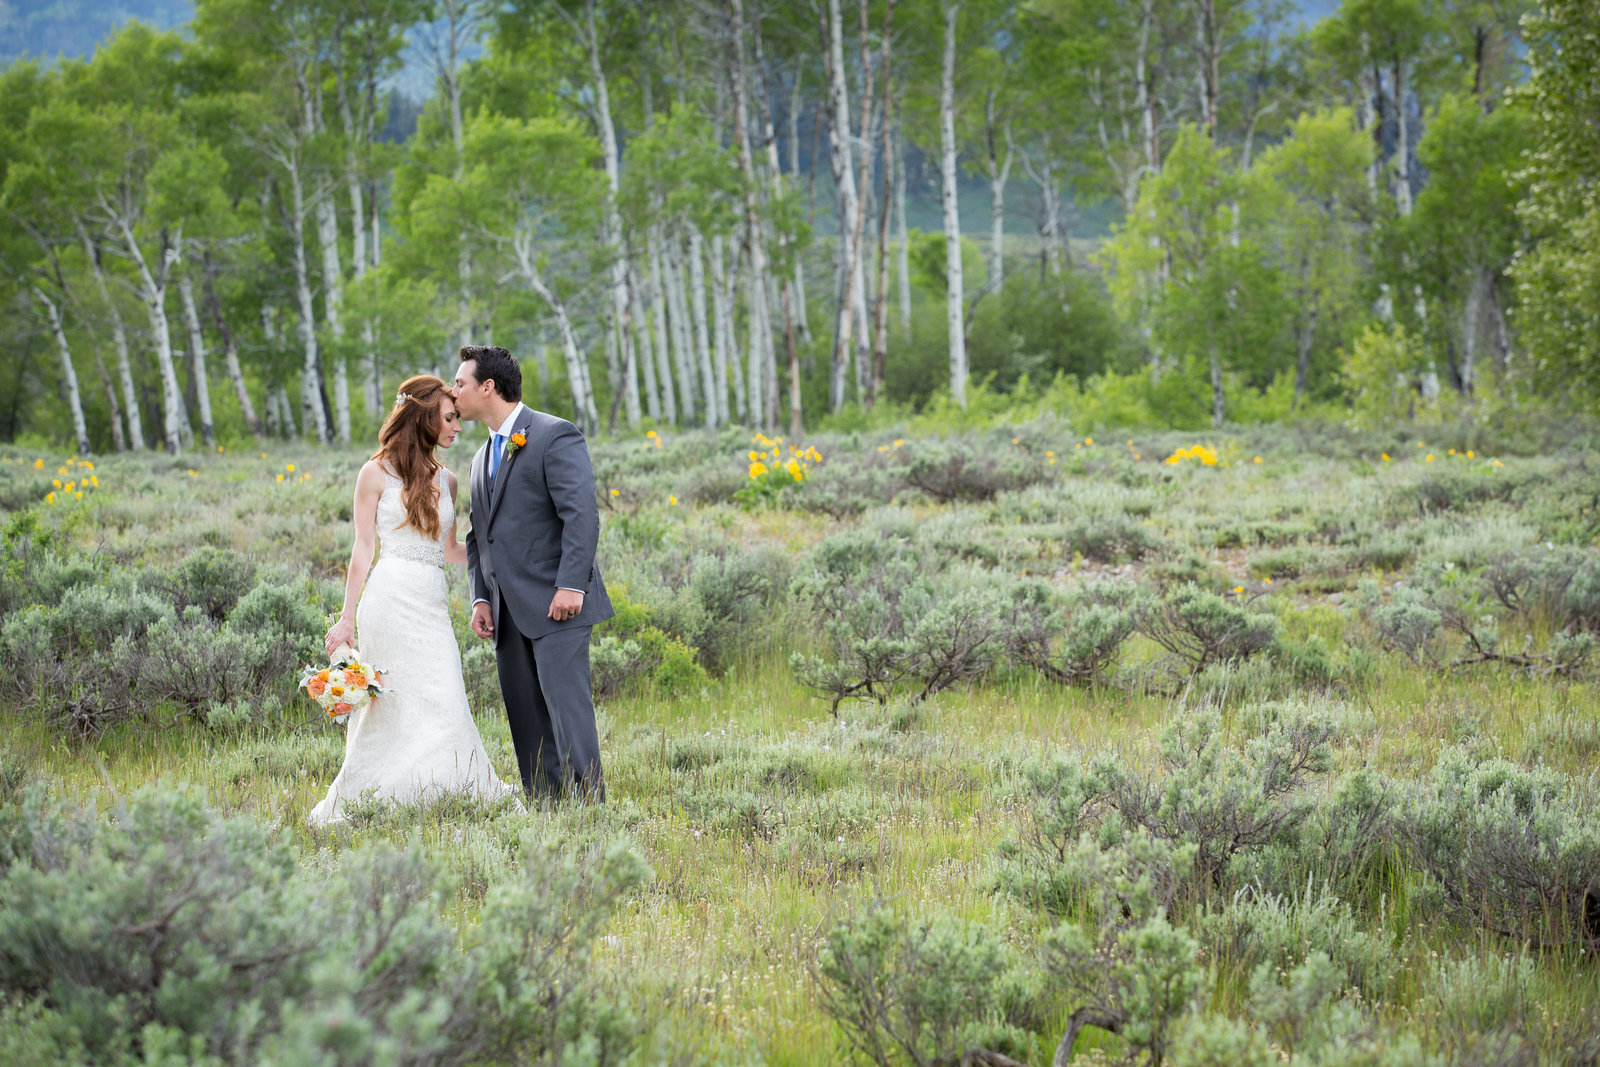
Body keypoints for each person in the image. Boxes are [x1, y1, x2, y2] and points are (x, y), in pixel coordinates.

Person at [311, 374, 520, 826]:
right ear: (424, 418)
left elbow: (450, 552)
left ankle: (448, 790)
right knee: (391, 706)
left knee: (444, 694)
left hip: (431, 606)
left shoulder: (447, 480)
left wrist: (504, 549)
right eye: (448, 418)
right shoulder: (375, 473)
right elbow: (362, 549)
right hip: (387, 602)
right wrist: (346, 620)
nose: (457, 427)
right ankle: (371, 799)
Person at [452, 344, 613, 802]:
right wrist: (480, 596)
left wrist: (569, 585)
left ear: (488, 387)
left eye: (460, 383)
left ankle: (591, 812)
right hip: (505, 612)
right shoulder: (481, 457)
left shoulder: (553, 434)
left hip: (557, 603)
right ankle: (547, 813)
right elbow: (478, 535)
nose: (453, 392)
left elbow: (581, 516)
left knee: (568, 716)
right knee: (526, 720)